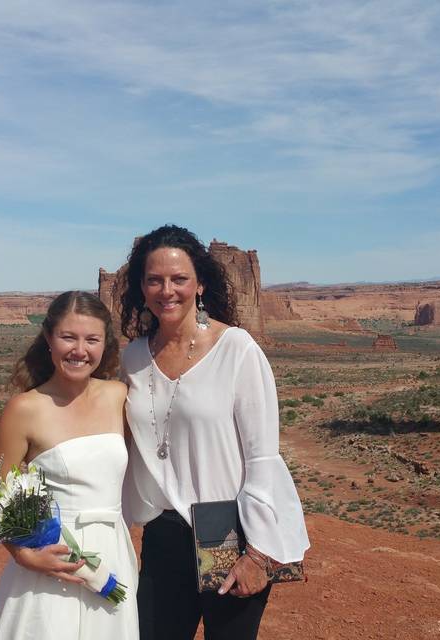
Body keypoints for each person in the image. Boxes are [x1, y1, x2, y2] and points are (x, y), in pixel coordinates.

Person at [119, 225, 310, 640]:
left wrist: (258, 555)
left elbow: (262, 459)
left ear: (200, 283)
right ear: (141, 287)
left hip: (229, 533)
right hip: (163, 534)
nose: (166, 290)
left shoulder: (237, 349)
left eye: (178, 279)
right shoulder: (132, 357)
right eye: (154, 279)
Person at [0, 291, 139, 640]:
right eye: (68, 337)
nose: (79, 350)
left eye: (91, 339)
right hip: (54, 558)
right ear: (49, 339)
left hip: (112, 553)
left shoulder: (118, 395)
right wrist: (24, 556)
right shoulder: (24, 409)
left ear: (105, 344)